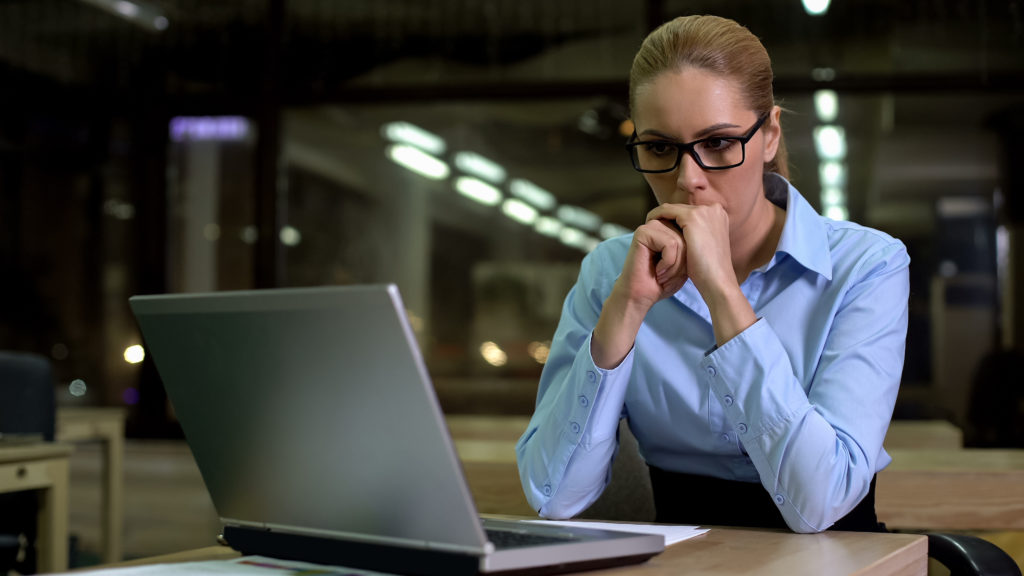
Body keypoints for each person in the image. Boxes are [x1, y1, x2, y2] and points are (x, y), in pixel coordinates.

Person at [515, 14, 910, 534]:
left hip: (834, 557)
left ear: (768, 135)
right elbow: (554, 496)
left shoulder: (867, 265)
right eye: (659, 148)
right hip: (682, 561)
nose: (688, 179)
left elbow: (821, 504)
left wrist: (722, 292)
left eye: (719, 143)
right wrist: (626, 311)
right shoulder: (611, 271)